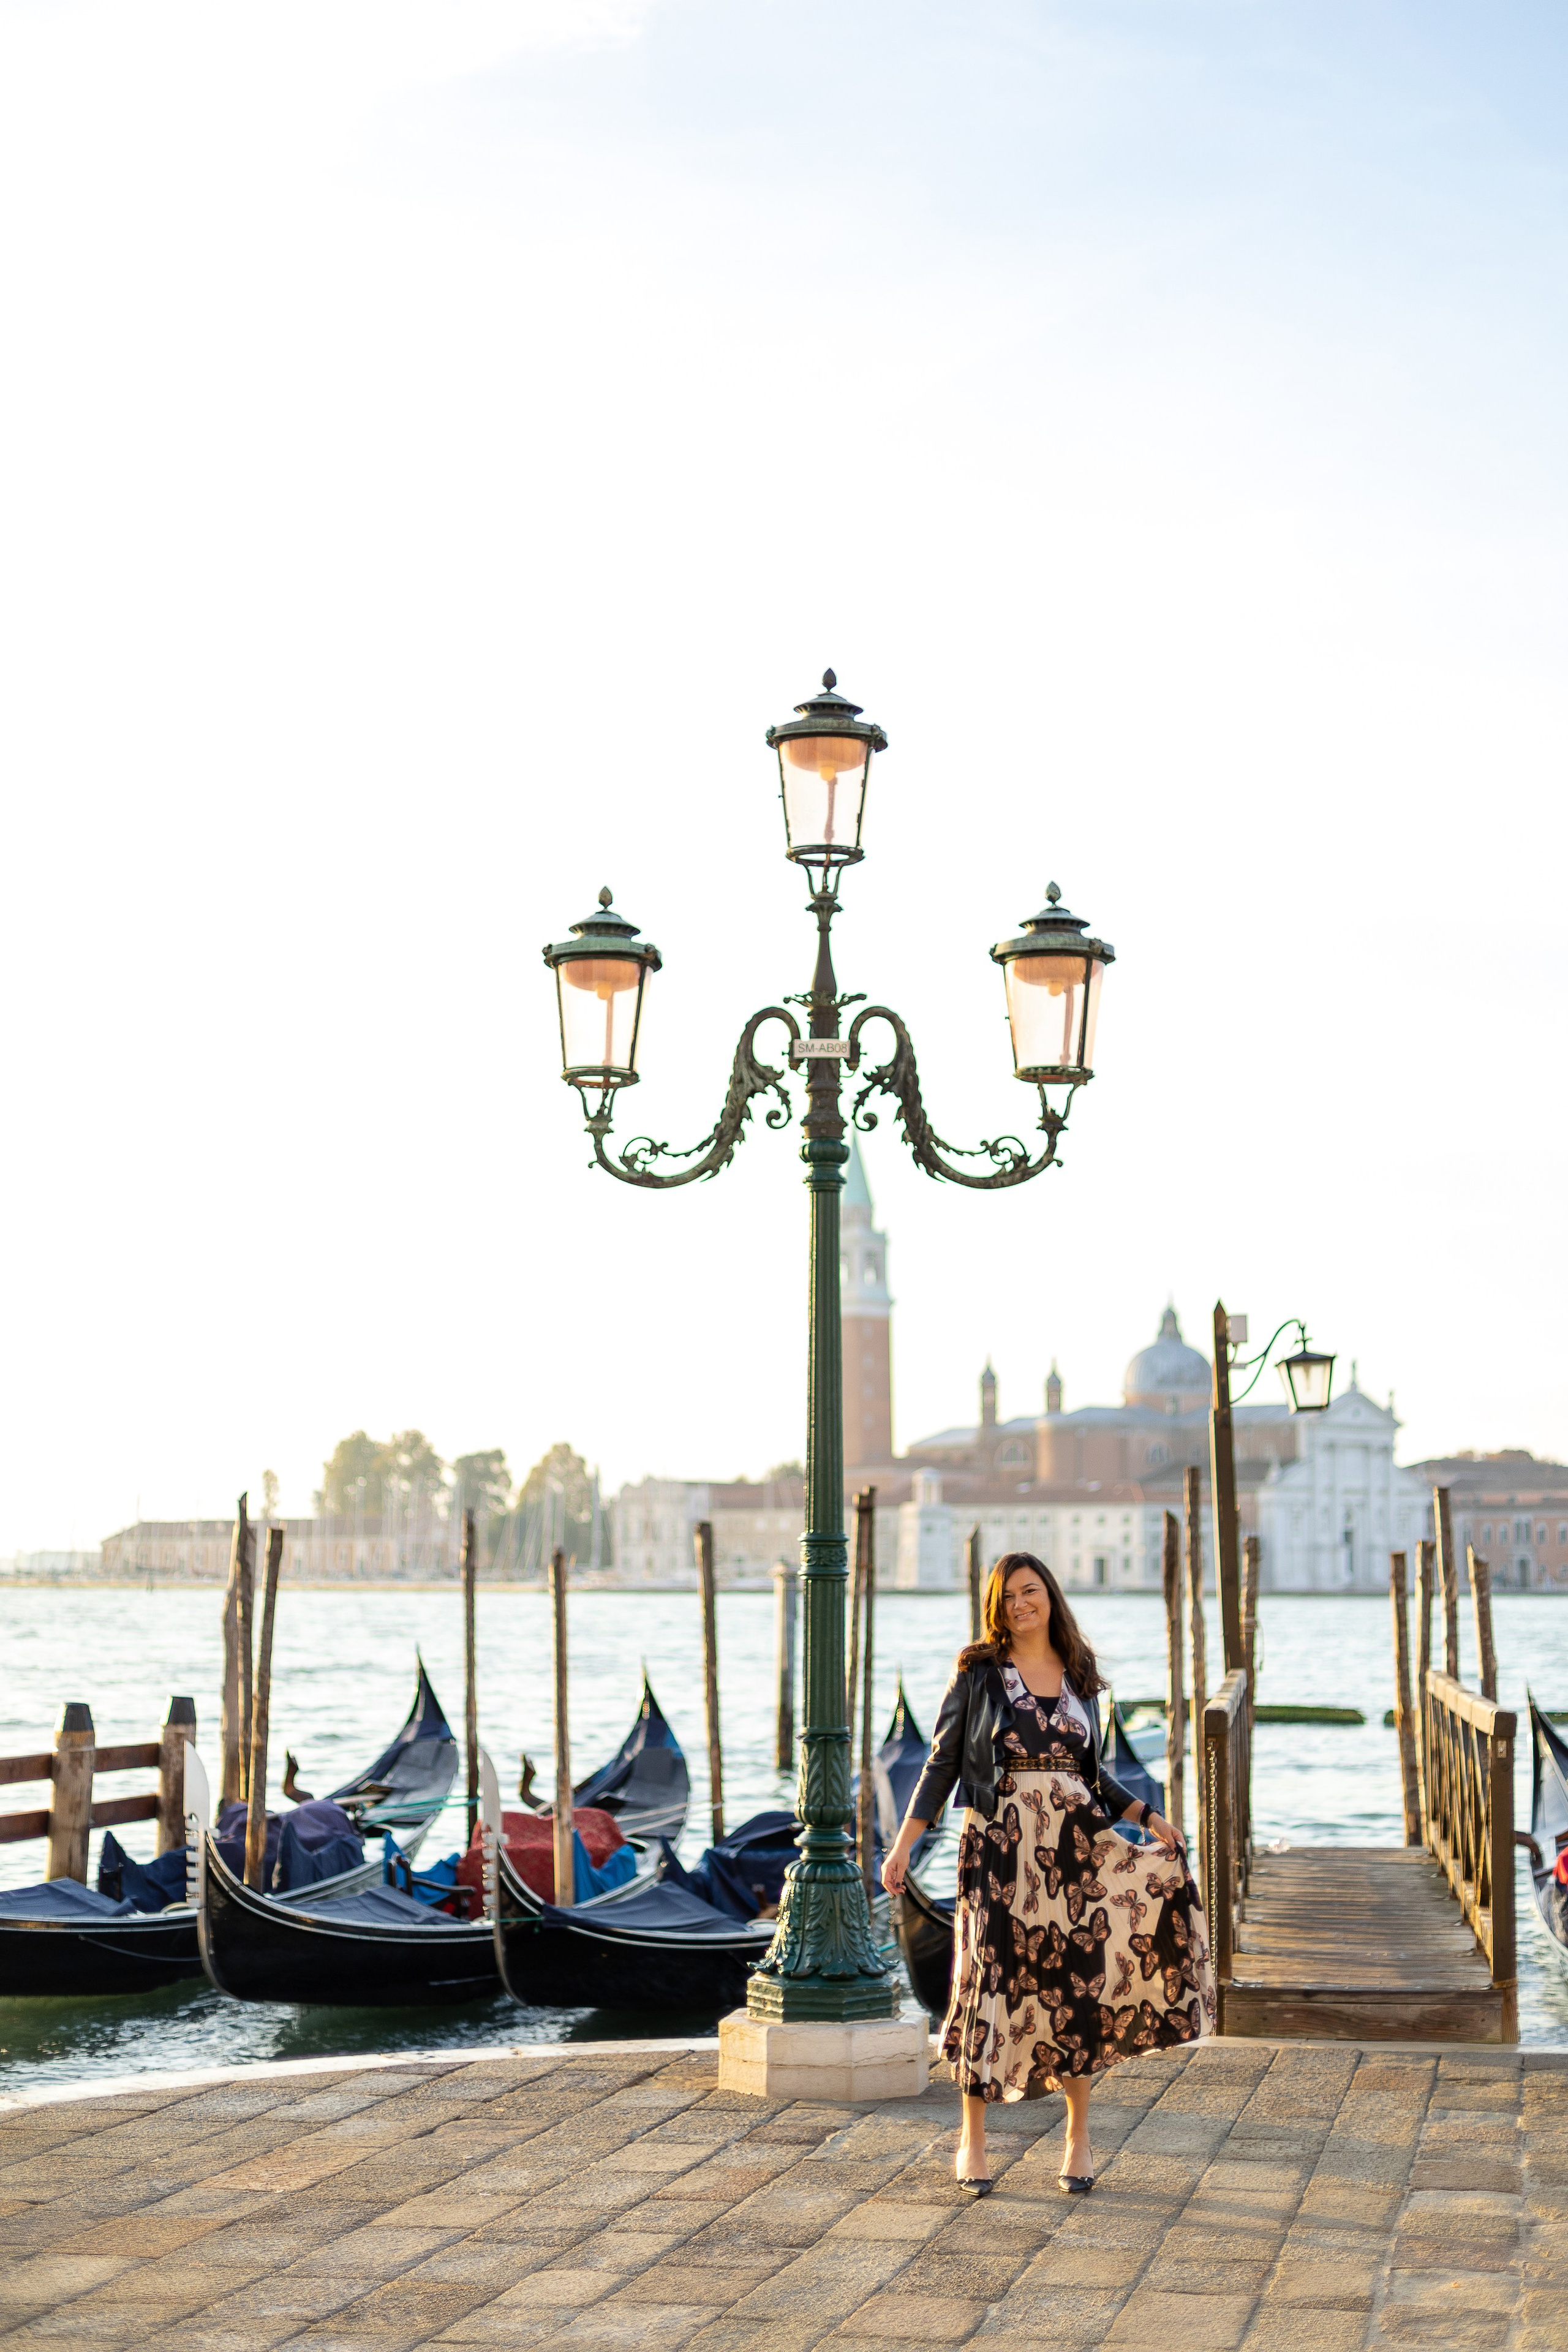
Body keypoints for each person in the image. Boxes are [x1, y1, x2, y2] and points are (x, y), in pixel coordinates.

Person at [881, 1550, 1215, 2195]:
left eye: (1029, 1591)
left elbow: (1091, 1775)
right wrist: (902, 1847)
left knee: (1075, 1986)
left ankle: (1077, 2137)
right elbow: (941, 1765)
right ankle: (973, 2139)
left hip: (1074, 1851)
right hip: (998, 1850)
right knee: (989, 1982)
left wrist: (1148, 1817)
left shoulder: (1079, 1674)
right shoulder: (978, 1673)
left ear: (1050, 1596)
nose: (1019, 1605)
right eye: (1007, 1597)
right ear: (995, 1607)